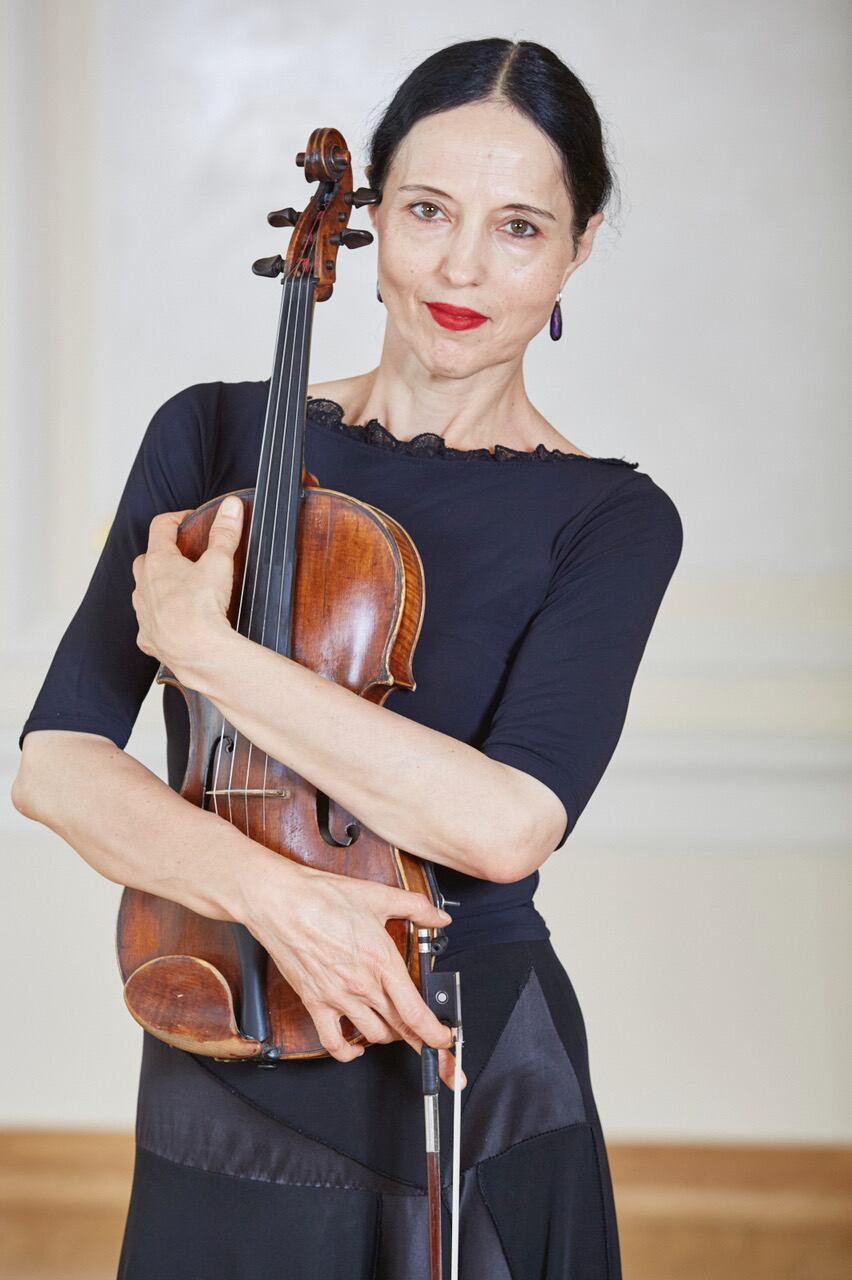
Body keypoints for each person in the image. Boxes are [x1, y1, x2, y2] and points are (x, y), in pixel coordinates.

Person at [12, 36, 683, 1280]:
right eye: (427, 210)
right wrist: (280, 897)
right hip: (225, 1009)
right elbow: (54, 762)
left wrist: (208, 651)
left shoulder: (611, 517)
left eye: (520, 227)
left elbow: (506, 826)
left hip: (457, 1044)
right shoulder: (212, 430)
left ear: (581, 245)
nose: (462, 265)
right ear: (370, 213)